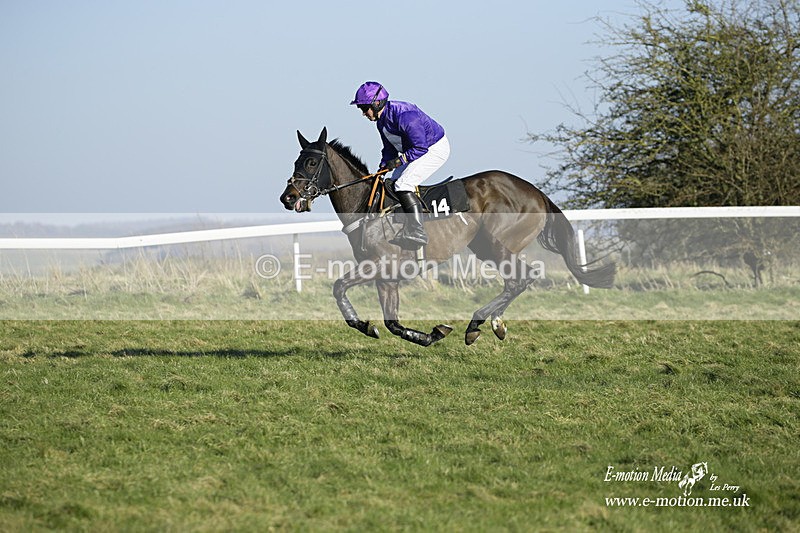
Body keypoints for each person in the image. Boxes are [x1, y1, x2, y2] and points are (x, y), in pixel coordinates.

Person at [350, 81, 450, 249]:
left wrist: (398, 161)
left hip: (433, 148)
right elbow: (389, 150)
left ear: (376, 103)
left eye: (364, 108)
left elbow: (421, 148)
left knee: (403, 185)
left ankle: (417, 230)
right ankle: (405, 224)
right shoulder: (381, 122)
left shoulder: (405, 116)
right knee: (391, 184)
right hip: (415, 151)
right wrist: (383, 167)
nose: (363, 113)